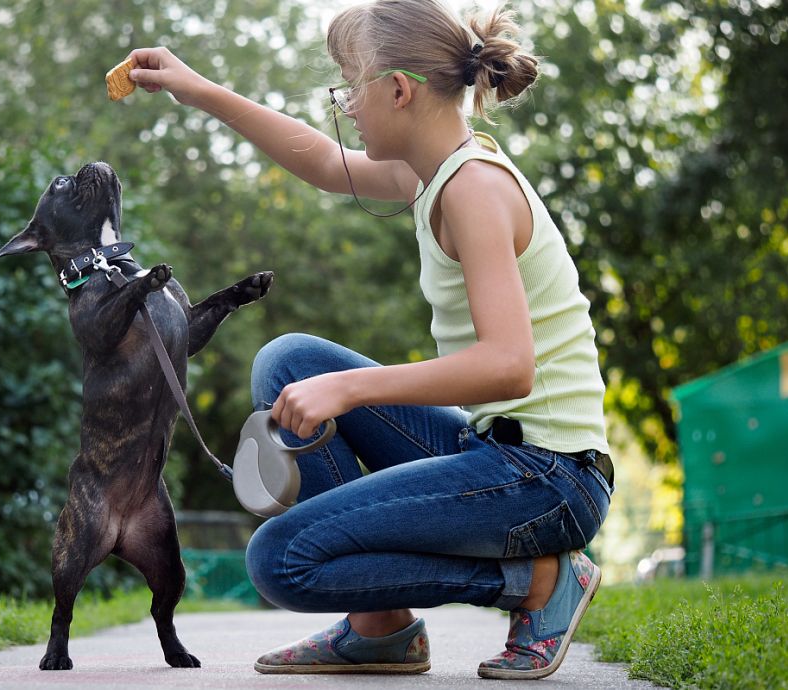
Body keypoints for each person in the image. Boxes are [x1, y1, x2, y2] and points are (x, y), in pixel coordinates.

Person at [127, 0, 613, 680]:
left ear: (398, 89)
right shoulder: (434, 172)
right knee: (288, 363)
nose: (347, 105)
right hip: (494, 451)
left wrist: (351, 386)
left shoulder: (475, 187)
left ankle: (536, 582)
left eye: (350, 84)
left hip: (553, 478)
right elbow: (326, 162)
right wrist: (198, 88)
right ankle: (379, 628)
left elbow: (510, 366)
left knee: (280, 561)